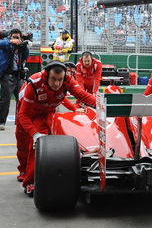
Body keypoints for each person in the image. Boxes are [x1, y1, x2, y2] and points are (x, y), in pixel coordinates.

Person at [16, 61, 96, 196]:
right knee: (24, 142)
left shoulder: (68, 80)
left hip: (48, 111)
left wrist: (103, 105)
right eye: (53, 79)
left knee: (39, 145)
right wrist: (34, 134)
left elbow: (82, 95)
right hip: (28, 111)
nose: (57, 84)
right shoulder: (34, 84)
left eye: (60, 80)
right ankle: (25, 174)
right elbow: (23, 114)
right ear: (46, 76)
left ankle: (33, 179)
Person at [0, 28, 29, 131]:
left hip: (19, 75)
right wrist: (11, 42)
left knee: (22, 99)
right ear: (10, 37)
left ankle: (20, 121)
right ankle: (1, 122)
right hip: (7, 74)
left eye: (18, 38)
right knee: (5, 99)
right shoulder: (6, 44)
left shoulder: (22, 46)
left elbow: (26, 56)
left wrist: (24, 45)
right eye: (14, 37)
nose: (16, 39)